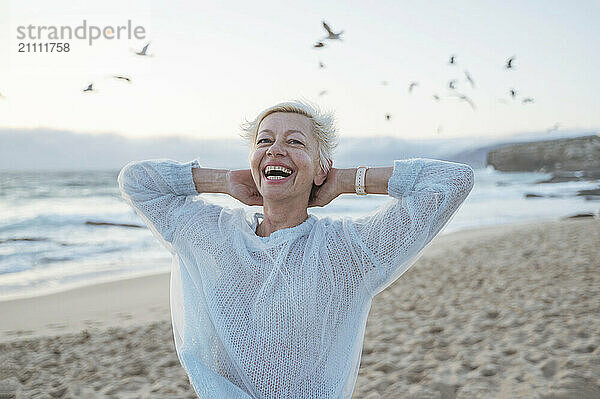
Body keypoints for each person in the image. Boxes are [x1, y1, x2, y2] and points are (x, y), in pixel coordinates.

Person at [117, 99, 475, 398]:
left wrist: (347, 180)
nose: (276, 149)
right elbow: (136, 181)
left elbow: (452, 180)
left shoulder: (349, 252)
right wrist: (223, 180)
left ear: (322, 169)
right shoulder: (212, 235)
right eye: (265, 141)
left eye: (296, 142)